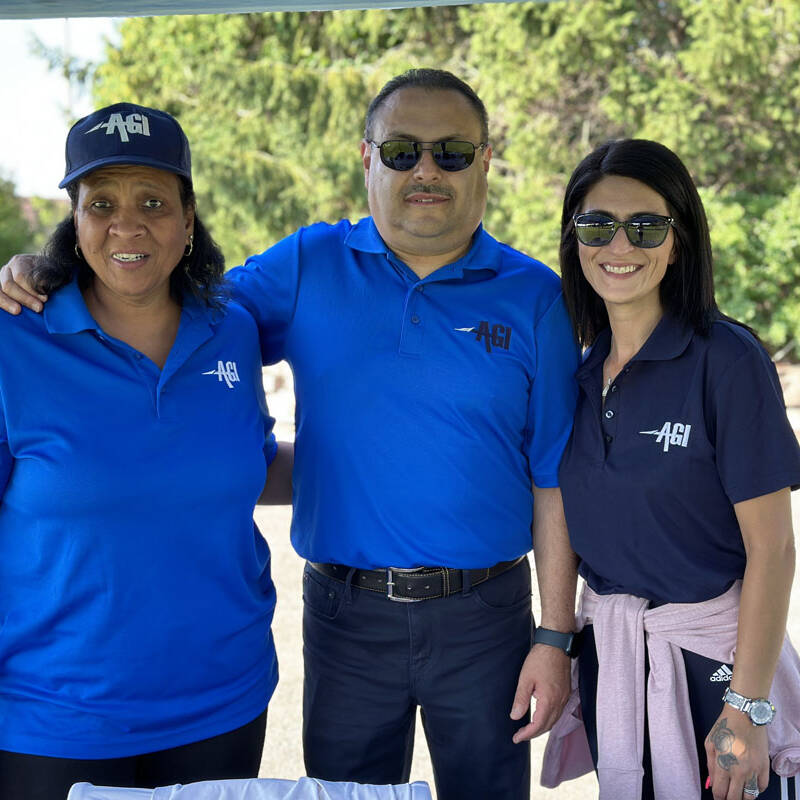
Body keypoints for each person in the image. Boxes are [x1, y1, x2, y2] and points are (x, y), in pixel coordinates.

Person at [0, 71, 580, 800]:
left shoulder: (536, 297)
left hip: (486, 616)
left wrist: (556, 637)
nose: (425, 169)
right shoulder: (305, 266)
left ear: (485, 160)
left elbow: (554, 474)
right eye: (402, 150)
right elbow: (157, 290)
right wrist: (38, 274)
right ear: (367, 159)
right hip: (345, 616)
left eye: (451, 152)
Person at [0, 103, 291, 800]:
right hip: (54, 719)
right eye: (101, 202)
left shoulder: (232, 332)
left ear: (188, 221)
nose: (126, 225)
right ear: (75, 219)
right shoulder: (14, 339)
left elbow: (247, 465)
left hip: (223, 703)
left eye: (153, 201)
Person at [547, 138, 800, 800]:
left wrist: (747, 711)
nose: (619, 245)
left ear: (678, 240)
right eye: (597, 225)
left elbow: (772, 550)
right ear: (575, 240)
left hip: (717, 668)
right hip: (615, 661)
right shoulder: (573, 373)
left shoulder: (728, 361)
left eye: (646, 225)